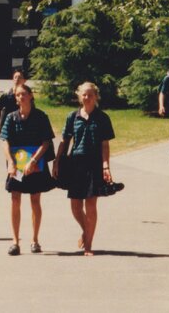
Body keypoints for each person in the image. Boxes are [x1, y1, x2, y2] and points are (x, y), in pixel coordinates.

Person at [53, 82, 116, 256]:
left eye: (90, 95)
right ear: (80, 96)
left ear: (96, 97)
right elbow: (65, 141)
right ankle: (85, 230)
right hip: (75, 164)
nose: (87, 98)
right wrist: (57, 161)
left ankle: (88, 245)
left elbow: (105, 145)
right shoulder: (72, 117)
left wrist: (106, 166)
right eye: (84, 95)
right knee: (75, 206)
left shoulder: (103, 118)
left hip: (94, 164)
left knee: (91, 205)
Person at [0, 81, 55, 255]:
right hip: (16, 164)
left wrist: (34, 160)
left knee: (35, 200)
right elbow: (5, 141)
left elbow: (46, 141)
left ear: (31, 96)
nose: (21, 97)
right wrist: (10, 162)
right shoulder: (10, 117)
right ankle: (15, 241)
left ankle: (35, 240)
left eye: (24, 94)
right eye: (18, 95)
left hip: (35, 164)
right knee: (15, 199)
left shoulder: (41, 116)